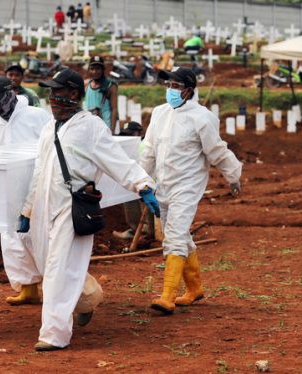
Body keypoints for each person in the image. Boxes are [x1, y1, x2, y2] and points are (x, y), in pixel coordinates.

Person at [19, 69, 159, 351]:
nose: (51, 99)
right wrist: (27, 209)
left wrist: (143, 185)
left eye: (57, 93)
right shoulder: (50, 128)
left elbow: (117, 160)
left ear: (73, 94)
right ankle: (88, 299)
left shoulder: (91, 127)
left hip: (74, 207)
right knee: (51, 267)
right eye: (49, 93)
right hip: (45, 208)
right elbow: (39, 170)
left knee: (59, 270)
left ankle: (53, 335)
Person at [140, 67, 242, 315]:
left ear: (188, 90)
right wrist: (141, 181)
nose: (170, 90)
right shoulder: (159, 113)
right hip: (163, 183)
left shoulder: (202, 117)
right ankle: (195, 288)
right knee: (178, 234)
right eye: (168, 85)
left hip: (187, 185)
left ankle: (167, 296)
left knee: (174, 235)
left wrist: (233, 175)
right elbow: (149, 149)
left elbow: (216, 150)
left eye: (176, 86)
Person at [0, 76, 52, 304]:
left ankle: (57, 291)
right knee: (12, 241)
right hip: (8, 190)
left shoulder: (36, 116)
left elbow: (52, 148)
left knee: (42, 239)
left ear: (11, 93)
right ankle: (28, 288)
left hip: (37, 188)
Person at [112, 122, 154, 240]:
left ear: (140, 133)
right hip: (142, 178)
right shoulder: (133, 147)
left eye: (131, 134)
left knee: (142, 198)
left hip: (151, 180)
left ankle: (148, 231)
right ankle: (137, 230)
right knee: (129, 195)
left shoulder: (146, 145)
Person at [84, 56, 118, 134]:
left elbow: (114, 109)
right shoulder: (86, 84)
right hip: (90, 126)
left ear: (103, 70)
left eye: (98, 69)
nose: (95, 71)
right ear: (89, 70)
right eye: (92, 69)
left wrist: (112, 131)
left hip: (105, 127)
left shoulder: (110, 85)